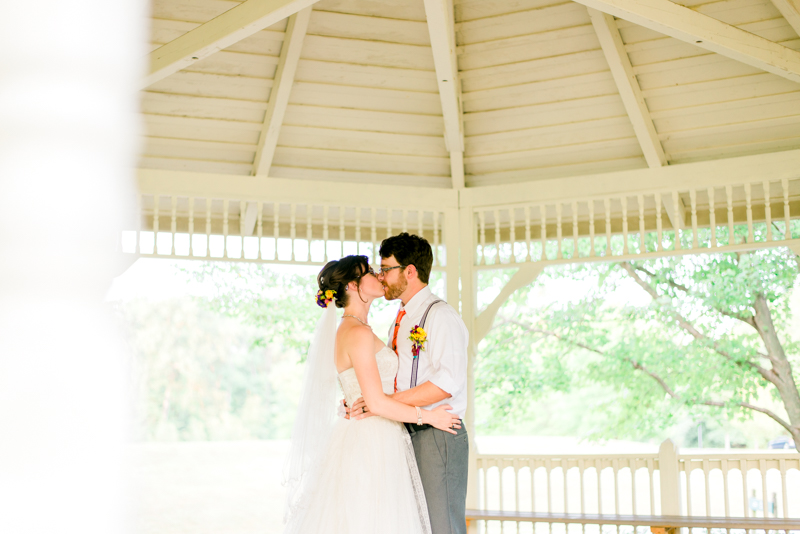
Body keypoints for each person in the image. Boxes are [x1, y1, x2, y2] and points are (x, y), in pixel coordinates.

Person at [283, 255, 461, 534]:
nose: (378, 276)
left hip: (373, 432)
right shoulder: (357, 333)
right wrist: (429, 417)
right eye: (368, 272)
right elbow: (376, 402)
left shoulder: (357, 329)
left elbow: (367, 392)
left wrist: (355, 400)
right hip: (372, 439)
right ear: (354, 287)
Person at [349, 233, 470, 534]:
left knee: (442, 526)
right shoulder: (399, 320)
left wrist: (380, 404)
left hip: (436, 433)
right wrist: (365, 398)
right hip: (403, 431)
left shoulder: (440, 316)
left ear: (410, 271)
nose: (381, 276)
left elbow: (447, 382)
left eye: (386, 269)